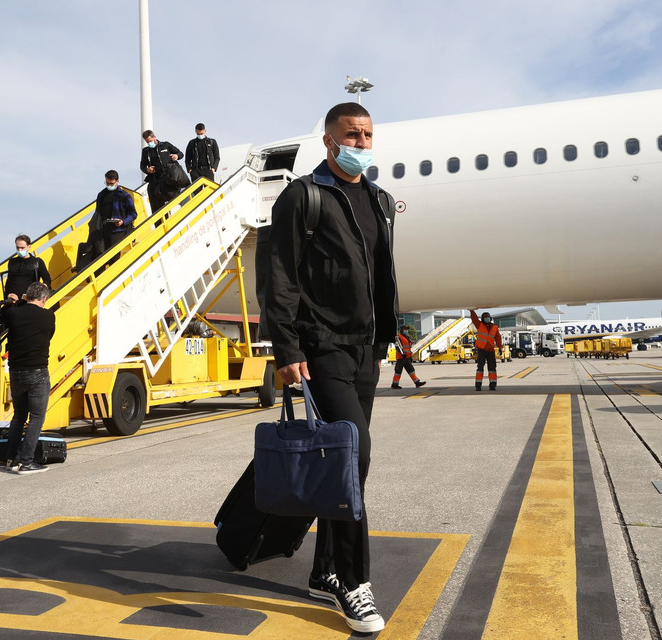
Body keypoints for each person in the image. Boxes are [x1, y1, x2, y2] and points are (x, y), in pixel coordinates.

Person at [262, 102, 397, 634]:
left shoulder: (379, 199)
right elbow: (280, 277)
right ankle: (351, 578)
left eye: (366, 135)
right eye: (350, 134)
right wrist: (288, 350)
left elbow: (380, 275)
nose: (360, 143)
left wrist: (386, 337)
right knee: (353, 455)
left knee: (347, 461)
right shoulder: (304, 196)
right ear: (328, 140)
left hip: (365, 350)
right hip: (321, 350)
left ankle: (323, 571)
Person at [0, 282, 56, 474]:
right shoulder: (48, 316)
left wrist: (18, 302)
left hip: (16, 372)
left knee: (19, 416)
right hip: (37, 372)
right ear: (44, 299)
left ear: (27, 296)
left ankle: (11, 459)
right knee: (37, 417)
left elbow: (4, 316)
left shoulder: (13, 314)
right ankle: (27, 461)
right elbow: (49, 336)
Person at [87, 170, 138, 263]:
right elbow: (97, 212)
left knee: (114, 257)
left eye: (111, 183)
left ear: (117, 181)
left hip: (118, 231)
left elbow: (133, 214)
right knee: (99, 256)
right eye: (107, 183)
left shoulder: (124, 196)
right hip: (103, 230)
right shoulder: (101, 195)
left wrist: (123, 221)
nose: (109, 186)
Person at [140, 130, 183, 210]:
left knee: (172, 199)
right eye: (147, 142)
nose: (149, 143)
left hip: (169, 177)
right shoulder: (146, 151)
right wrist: (147, 170)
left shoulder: (166, 145)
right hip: (155, 180)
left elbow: (180, 153)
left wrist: (176, 156)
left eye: (150, 141)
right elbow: (142, 165)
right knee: (156, 201)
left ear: (154, 137)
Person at [4, 235, 52, 304]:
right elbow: (9, 282)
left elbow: (47, 280)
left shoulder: (37, 262)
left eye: (22, 248)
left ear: (29, 247)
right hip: (14, 301)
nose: (20, 250)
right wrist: (6, 298)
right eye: (17, 248)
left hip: (30, 301)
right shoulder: (12, 262)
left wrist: (39, 294)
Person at [470, 309, 502, 391]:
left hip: (491, 350)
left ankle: (493, 384)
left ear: (490, 318)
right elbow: (474, 319)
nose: (487, 319)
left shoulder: (495, 327)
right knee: (480, 368)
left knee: (492, 369)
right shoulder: (479, 325)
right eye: (485, 317)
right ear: (482, 319)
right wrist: (471, 311)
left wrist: (500, 347)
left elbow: (498, 338)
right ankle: (478, 385)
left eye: (488, 317)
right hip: (481, 350)